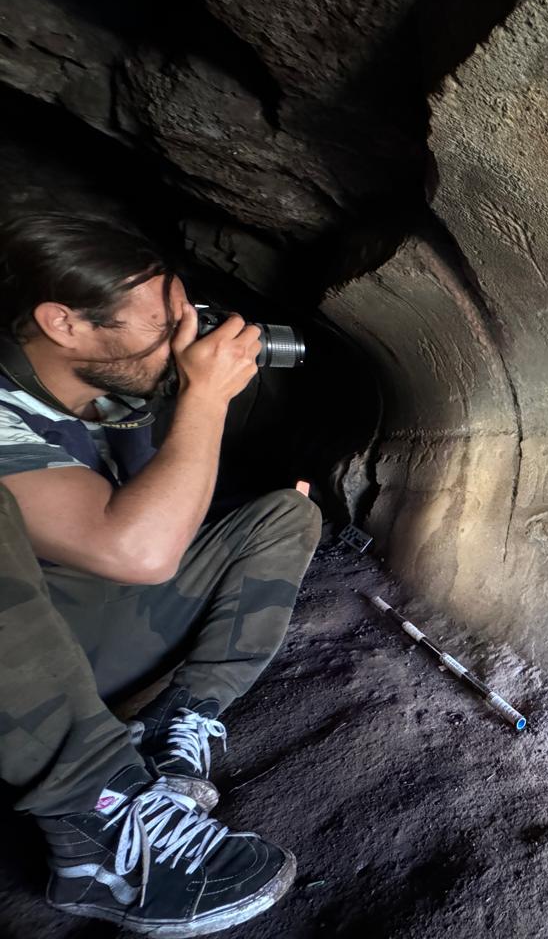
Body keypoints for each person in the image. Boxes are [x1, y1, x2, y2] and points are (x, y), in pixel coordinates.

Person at [0, 213, 321, 935]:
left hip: (72, 635)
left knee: (283, 517)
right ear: (65, 324)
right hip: (20, 685)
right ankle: (96, 831)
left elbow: (161, 529)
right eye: (164, 323)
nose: (187, 337)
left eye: (188, 315)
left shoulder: (107, 397)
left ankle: (179, 720)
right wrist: (204, 402)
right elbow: (136, 553)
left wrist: (169, 402)